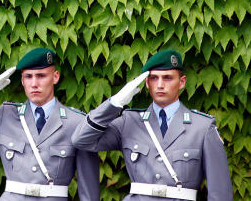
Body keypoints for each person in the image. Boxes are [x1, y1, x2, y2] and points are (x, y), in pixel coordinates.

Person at [71, 49, 232, 200]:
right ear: (147, 83)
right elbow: (81, 140)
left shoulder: (202, 127)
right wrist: (114, 103)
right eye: (154, 78)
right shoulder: (130, 122)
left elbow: (220, 193)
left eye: (168, 78)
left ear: (182, 82)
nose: (160, 85)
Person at [0, 47, 99, 200]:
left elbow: (89, 191)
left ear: (55, 77)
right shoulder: (5, 116)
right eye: (28, 77)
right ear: (22, 81)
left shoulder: (76, 123)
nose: (34, 83)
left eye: (41, 76)